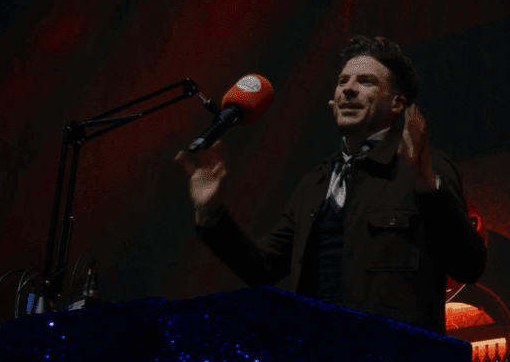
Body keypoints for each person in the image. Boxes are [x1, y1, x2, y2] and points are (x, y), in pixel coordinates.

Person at [175, 35, 486, 334]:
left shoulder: (423, 168)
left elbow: (470, 266)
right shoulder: (314, 184)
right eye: (342, 82)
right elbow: (263, 267)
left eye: (366, 82)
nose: (348, 90)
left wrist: (427, 183)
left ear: (397, 104)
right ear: (332, 102)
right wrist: (212, 211)